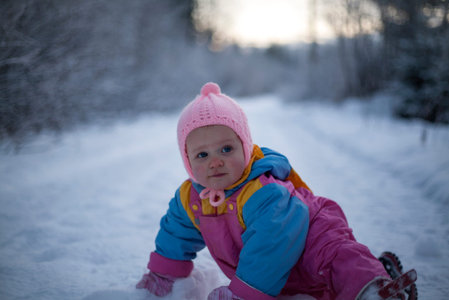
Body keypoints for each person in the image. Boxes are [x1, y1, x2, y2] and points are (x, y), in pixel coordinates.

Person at [136, 82, 417, 300]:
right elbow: (175, 234)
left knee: (336, 256)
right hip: (273, 274)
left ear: (246, 147)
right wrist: (164, 273)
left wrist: (244, 293)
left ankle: (372, 288)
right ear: (187, 160)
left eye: (226, 149)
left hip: (308, 237)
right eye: (202, 155)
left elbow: (270, 246)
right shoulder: (190, 198)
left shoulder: (263, 192)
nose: (216, 161)